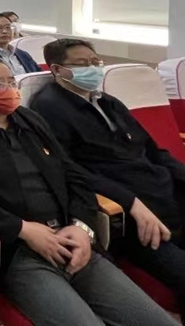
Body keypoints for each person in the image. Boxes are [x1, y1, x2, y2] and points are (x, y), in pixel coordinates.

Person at [0, 55, 177, 326]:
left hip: (71, 238)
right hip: (20, 253)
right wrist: (22, 229)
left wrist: (82, 227)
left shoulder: (29, 120)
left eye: (11, 82)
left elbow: (72, 174)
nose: (9, 89)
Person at [31, 39, 185, 312]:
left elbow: (154, 151)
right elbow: (69, 170)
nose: (93, 69)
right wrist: (130, 202)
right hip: (130, 214)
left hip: (166, 193)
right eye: (82, 64)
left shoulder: (108, 101)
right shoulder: (48, 108)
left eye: (95, 62)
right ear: (56, 69)